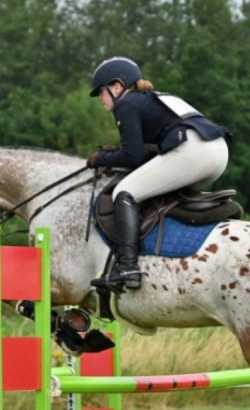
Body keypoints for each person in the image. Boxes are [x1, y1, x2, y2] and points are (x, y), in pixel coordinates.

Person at [85, 56, 231, 292]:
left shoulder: (127, 104)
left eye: (101, 92)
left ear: (116, 86)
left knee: (125, 192)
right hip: (218, 152)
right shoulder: (158, 98)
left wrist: (99, 159)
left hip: (193, 151)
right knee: (154, 189)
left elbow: (131, 156)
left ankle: (128, 267)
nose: (101, 99)